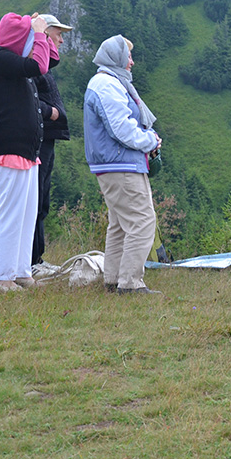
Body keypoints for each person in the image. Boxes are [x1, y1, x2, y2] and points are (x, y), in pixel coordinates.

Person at [83, 35, 162, 295]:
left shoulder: (106, 82)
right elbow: (121, 128)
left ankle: (113, 279)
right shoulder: (107, 85)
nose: (132, 62)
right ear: (116, 57)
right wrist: (148, 140)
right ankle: (130, 283)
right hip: (121, 164)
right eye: (128, 56)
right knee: (142, 220)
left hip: (114, 164)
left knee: (118, 224)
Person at [0, 12, 51, 292]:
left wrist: (39, 32)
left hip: (27, 150)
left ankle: (20, 270)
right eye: (28, 38)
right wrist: (40, 35)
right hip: (10, 147)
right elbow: (40, 65)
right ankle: (0, 275)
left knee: (26, 214)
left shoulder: (10, 63)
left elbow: (48, 60)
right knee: (10, 213)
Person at [31, 14, 73, 270]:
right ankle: (31, 260)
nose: (61, 40)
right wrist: (50, 112)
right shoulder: (31, 65)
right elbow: (26, 97)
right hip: (40, 137)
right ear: (45, 35)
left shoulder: (43, 65)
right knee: (35, 198)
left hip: (48, 137)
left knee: (42, 198)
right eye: (58, 34)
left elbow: (51, 60)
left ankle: (36, 258)